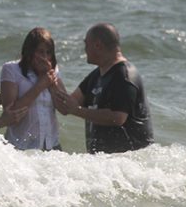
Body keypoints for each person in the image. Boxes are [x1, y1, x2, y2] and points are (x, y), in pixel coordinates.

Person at [53, 23, 154, 153]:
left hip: (130, 162)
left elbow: (118, 117)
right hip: (104, 164)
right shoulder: (96, 76)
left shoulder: (125, 75)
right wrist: (50, 78)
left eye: (86, 44)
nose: (85, 49)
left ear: (97, 45)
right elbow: (66, 106)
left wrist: (77, 110)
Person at [0, 27, 66, 150]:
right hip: (20, 146)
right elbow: (10, 114)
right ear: (30, 51)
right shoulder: (11, 69)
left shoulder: (53, 71)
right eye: (40, 52)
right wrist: (40, 85)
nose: (45, 57)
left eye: (48, 52)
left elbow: (64, 108)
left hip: (52, 145)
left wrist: (51, 82)